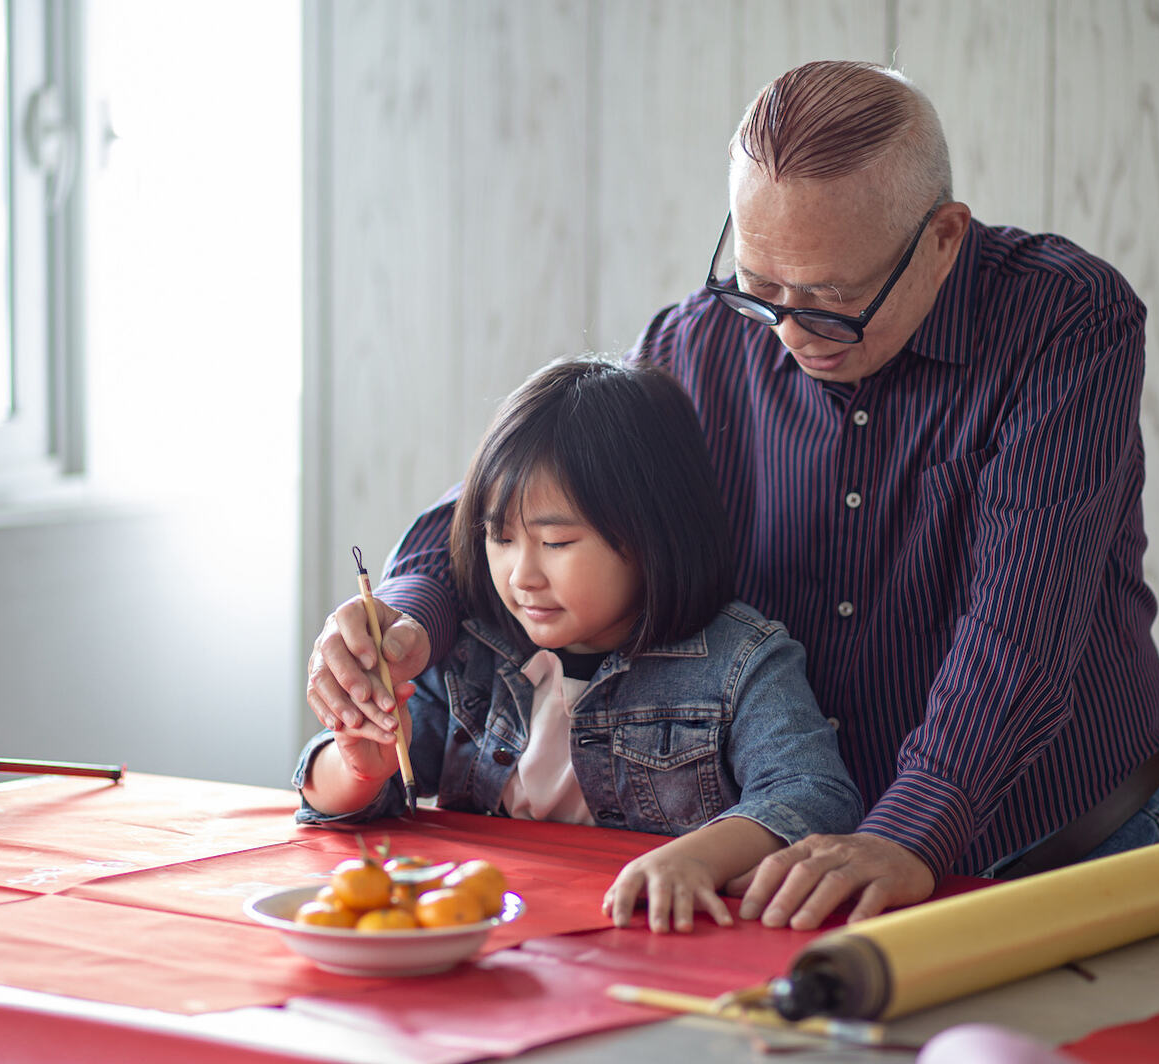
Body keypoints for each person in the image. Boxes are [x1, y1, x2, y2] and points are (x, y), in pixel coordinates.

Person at [306, 60, 1159, 931]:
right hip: (813, 875)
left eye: (834, 299)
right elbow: (509, 493)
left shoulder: (1063, 321)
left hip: (1061, 852)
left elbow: (1022, 626)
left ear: (946, 238)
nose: (792, 333)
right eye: (761, 287)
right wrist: (410, 614)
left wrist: (913, 828)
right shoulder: (704, 342)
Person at [296, 356, 863, 932]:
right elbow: (341, 802)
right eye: (501, 537)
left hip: (658, 943)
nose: (522, 575)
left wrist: (701, 855)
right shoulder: (475, 652)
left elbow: (815, 794)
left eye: (557, 541)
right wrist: (358, 772)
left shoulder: (739, 661)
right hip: (491, 941)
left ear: (653, 536)